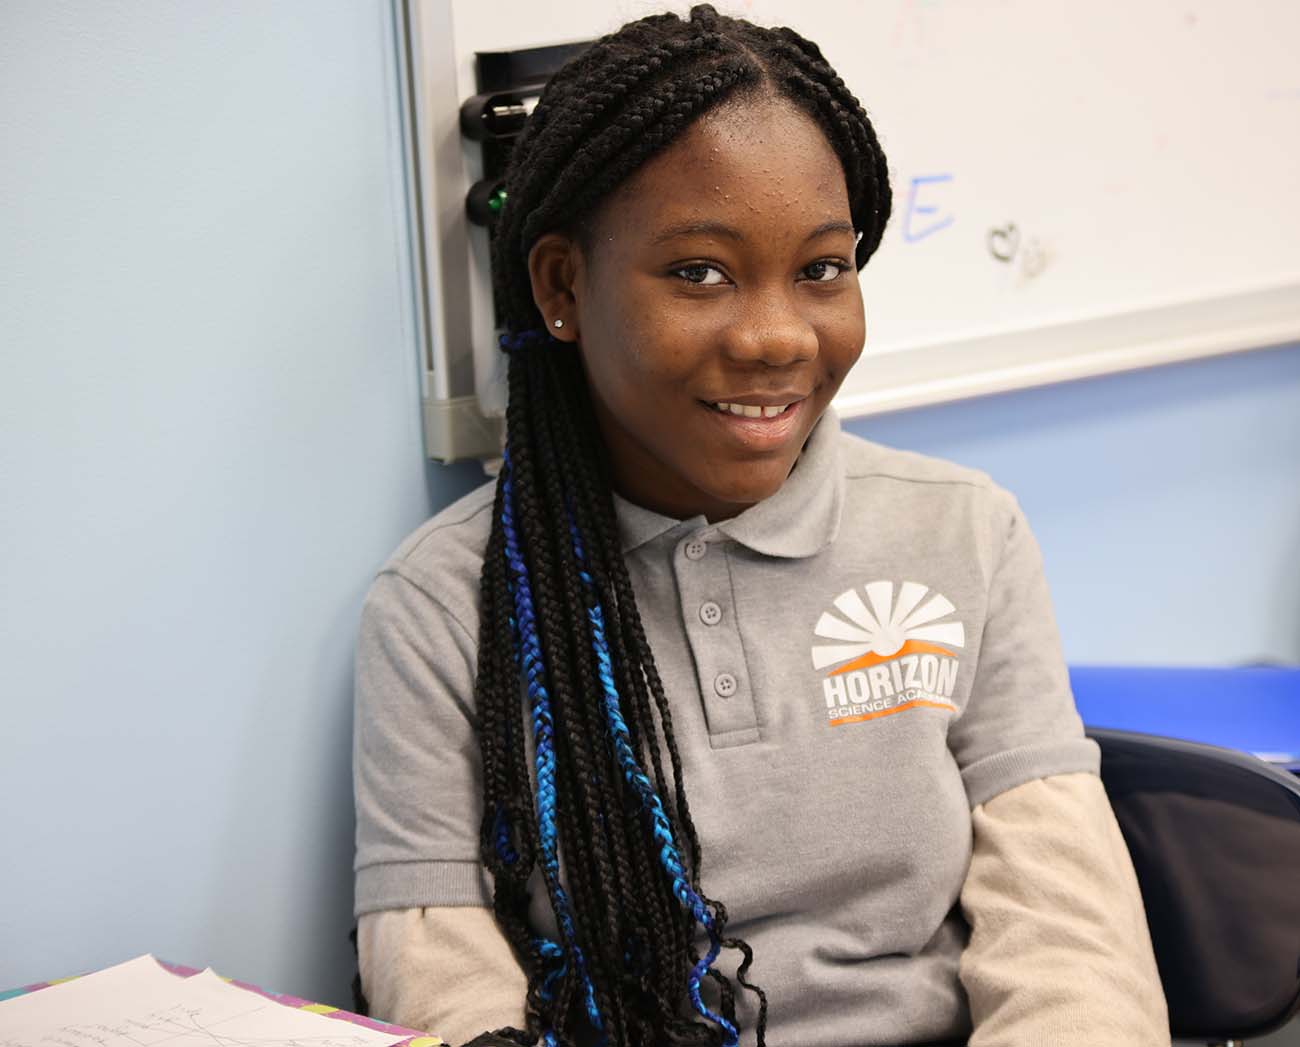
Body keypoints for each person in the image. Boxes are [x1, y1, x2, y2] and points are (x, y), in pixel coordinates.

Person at [352, 6, 1170, 1046]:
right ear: (563, 286)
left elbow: (1070, 941)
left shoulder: (964, 536)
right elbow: (445, 986)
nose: (776, 337)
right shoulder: (440, 604)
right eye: (699, 273)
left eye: (822, 269)